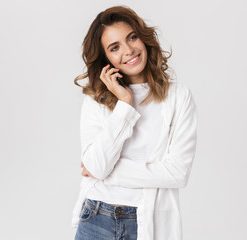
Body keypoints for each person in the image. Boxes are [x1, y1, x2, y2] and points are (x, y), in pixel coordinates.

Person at [72, 5, 198, 240]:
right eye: (114, 47)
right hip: (96, 217)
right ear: (105, 59)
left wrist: (106, 173)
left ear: (143, 37)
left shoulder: (178, 97)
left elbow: (177, 173)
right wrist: (125, 104)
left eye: (132, 37)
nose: (129, 50)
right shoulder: (96, 99)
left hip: (148, 222)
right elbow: (96, 167)